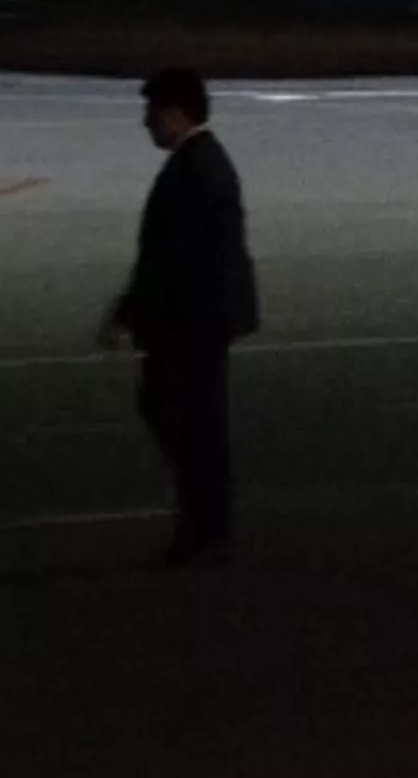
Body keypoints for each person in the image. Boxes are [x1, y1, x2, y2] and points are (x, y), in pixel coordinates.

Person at [98, 68, 259, 565]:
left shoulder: (197, 170)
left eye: (152, 112)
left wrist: (132, 312)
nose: (146, 122)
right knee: (187, 418)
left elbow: (173, 257)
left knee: (184, 418)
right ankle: (205, 523)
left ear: (175, 112)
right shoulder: (200, 163)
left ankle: (205, 526)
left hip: (191, 322)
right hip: (195, 319)